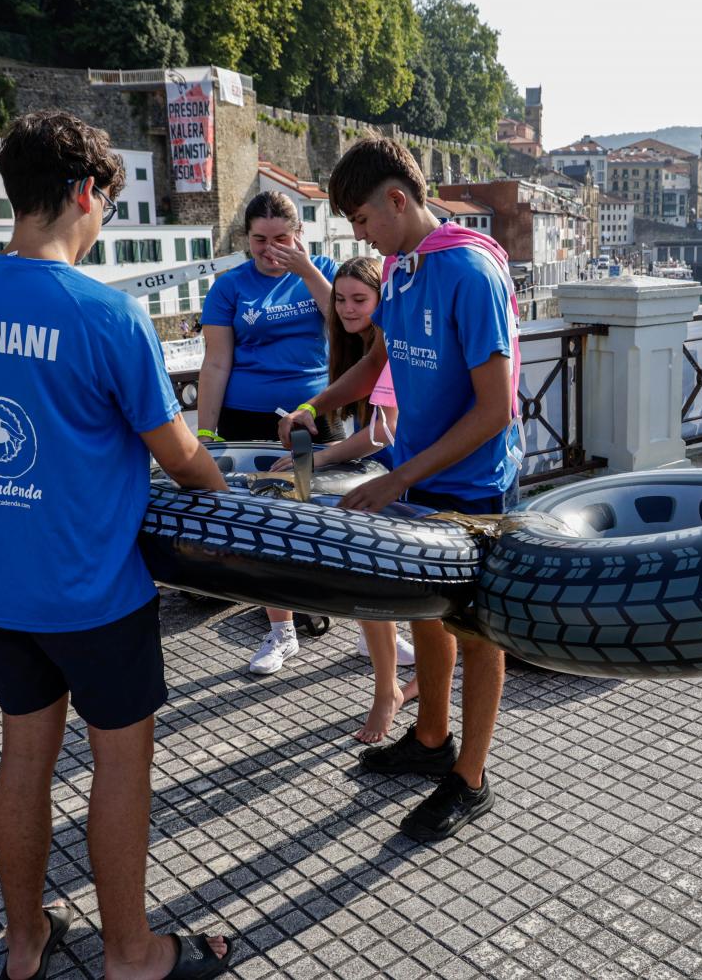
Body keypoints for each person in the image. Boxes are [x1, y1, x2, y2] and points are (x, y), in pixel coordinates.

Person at [0, 110, 233, 980]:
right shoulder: (107, 314)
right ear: (82, 194)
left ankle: (26, 944)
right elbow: (178, 453)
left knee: (24, 756)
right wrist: (227, 502)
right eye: (105, 201)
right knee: (120, 766)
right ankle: (131, 953)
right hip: (93, 591)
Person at [279, 137, 522, 842]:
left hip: (475, 487)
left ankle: (470, 778)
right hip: (419, 476)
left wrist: (398, 477)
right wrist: (316, 406)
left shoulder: (470, 272)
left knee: (478, 633)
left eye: (362, 219)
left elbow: (495, 410)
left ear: (396, 199)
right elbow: (380, 360)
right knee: (426, 613)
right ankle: (431, 738)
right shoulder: (401, 266)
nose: (360, 235)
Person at [272, 255, 418, 741]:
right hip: (389, 471)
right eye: (340, 300)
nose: (348, 308)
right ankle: (391, 673)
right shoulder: (357, 343)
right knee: (371, 582)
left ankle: (394, 684)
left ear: (382, 301)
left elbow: (383, 433)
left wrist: (318, 459)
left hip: (403, 473)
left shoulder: (388, 344)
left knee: (378, 583)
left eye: (360, 299)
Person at [196, 191, 337, 675]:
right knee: (262, 523)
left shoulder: (322, 271)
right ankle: (282, 630)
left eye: (281, 238)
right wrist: (207, 433)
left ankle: (358, 621)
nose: (270, 249)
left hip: (313, 414)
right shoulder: (230, 286)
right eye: (260, 239)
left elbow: (348, 329)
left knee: (325, 514)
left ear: (299, 235)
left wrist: (307, 271)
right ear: (246, 238)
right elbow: (216, 362)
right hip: (248, 418)